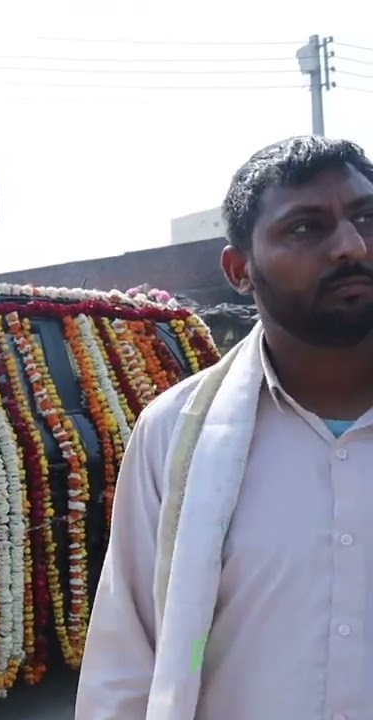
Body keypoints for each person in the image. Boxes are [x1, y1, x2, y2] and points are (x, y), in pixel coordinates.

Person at [76, 136, 373, 720]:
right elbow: (128, 660)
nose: (351, 246)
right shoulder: (176, 435)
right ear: (240, 270)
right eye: (307, 229)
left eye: (366, 217)